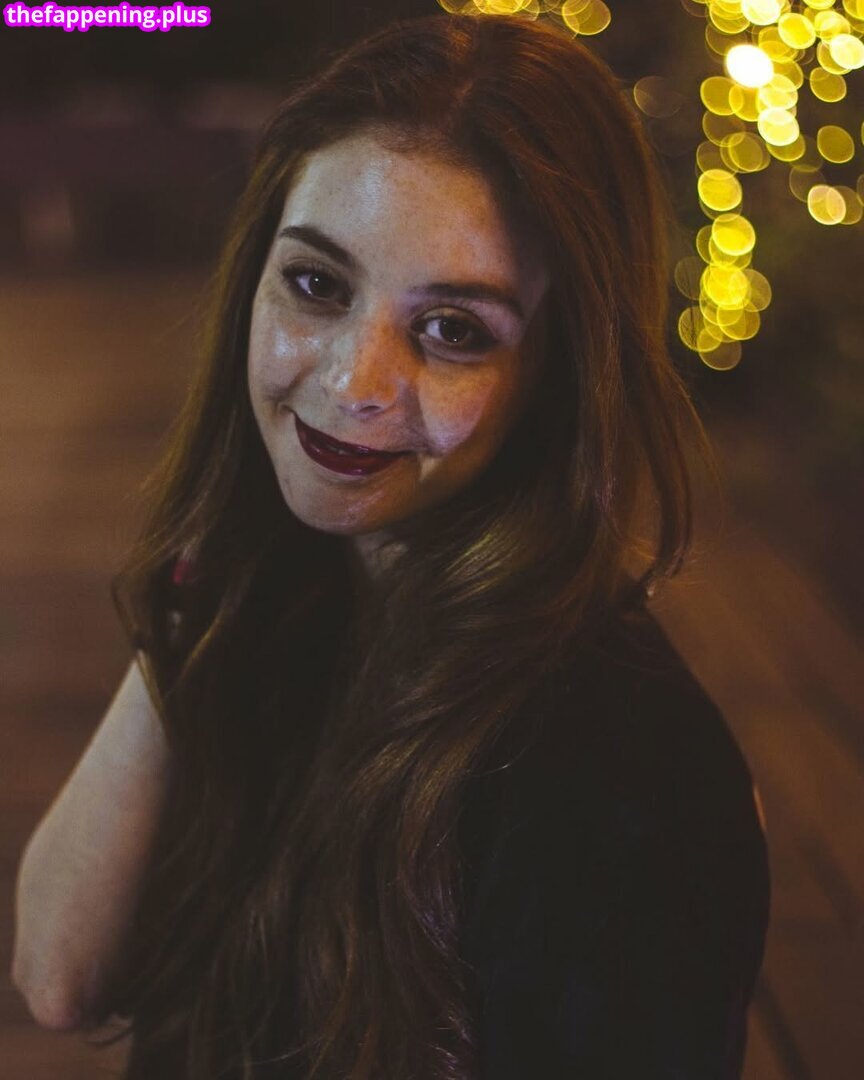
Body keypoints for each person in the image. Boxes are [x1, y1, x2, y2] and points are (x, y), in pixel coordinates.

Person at [11, 12, 770, 1080]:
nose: (353, 382)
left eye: (453, 330)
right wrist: (208, 581)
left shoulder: (621, 774)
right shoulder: (297, 579)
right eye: (317, 284)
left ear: (559, 378)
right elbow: (58, 973)